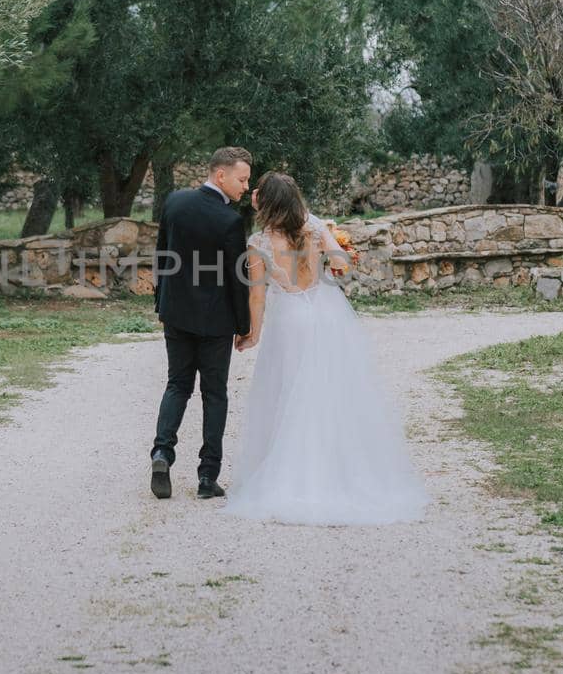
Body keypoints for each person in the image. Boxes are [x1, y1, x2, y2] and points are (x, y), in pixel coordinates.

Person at [224, 170, 427, 527]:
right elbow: (342, 264)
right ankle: (340, 472)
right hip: (325, 315)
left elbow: (257, 297)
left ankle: (294, 475)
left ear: (268, 204)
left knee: (287, 395)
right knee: (329, 393)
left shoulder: (258, 243)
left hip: (290, 321)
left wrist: (251, 334)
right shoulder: (315, 231)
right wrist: (327, 243)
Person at [149, 147, 252, 500]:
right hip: (215, 321)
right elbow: (238, 280)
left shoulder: (175, 202)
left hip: (175, 313)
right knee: (214, 394)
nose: (245, 186)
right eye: (242, 179)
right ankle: (208, 478)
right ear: (220, 175)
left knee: (177, 384)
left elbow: (162, 255)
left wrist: (160, 300)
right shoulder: (230, 221)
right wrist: (244, 325)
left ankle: (162, 453)